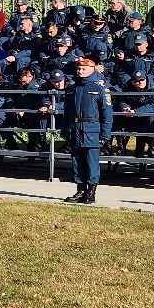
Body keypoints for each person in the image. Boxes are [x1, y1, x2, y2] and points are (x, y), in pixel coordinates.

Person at [61, 55, 112, 204]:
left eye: (83, 69)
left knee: (91, 162)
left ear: (91, 69)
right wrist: (65, 130)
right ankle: (80, 190)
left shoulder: (99, 89)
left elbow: (107, 114)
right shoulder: (71, 89)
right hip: (74, 129)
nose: (80, 71)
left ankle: (91, 192)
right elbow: (67, 112)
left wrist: (105, 134)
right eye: (78, 68)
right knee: (77, 161)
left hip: (91, 130)